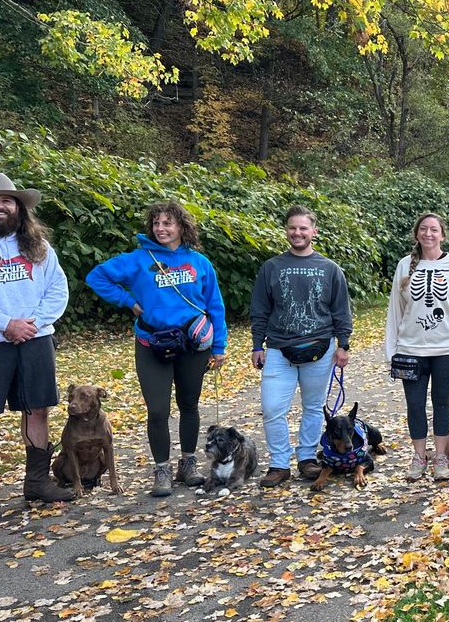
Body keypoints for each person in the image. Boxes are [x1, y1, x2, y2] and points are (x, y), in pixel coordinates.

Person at [87, 201, 227, 497]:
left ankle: (188, 464)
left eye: (168, 223)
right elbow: (96, 277)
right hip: (152, 344)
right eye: (157, 223)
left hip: (193, 344)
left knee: (189, 405)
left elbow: (215, 305)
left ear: (181, 227)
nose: (161, 229)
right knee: (158, 410)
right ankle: (161, 469)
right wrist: (129, 302)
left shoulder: (199, 262)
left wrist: (219, 346)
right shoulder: (138, 259)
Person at [250, 206, 353, 488]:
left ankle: (307, 458)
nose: (297, 233)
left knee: (313, 407)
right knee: (272, 408)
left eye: (303, 228)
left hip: (319, 349)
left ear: (314, 232)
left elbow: (341, 310)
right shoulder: (271, 267)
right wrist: (257, 345)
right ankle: (279, 464)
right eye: (293, 228)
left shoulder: (330, 269)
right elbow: (259, 309)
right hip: (278, 349)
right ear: (287, 231)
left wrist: (343, 345)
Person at [0, 173, 71, 502]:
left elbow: (57, 290)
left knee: (37, 410)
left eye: (6, 200)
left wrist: (32, 324)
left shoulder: (38, 246)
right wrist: (5, 323)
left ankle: (36, 483)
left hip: (36, 340)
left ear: (19, 208)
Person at [384, 213, 449, 481]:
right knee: (414, 405)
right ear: (417, 234)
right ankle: (418, 457)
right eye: (423, 229)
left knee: (441, 404)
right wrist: (391, 352)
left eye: (434, 230)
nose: (428, 234)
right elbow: (395, 312)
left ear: (442, 235)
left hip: (446, 350)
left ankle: (441, 458)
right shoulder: (404, 266)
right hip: (410, 350)